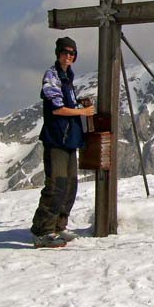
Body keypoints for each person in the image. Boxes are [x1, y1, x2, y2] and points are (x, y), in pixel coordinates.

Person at [31, 37, 94, 248]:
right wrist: (82, 111)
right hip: (56, 138)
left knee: (70, 185)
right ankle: (43, 231)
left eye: (72, 53)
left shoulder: (67, 76)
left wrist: (78, 104)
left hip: (68, 139)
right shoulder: (52, 75)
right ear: (58, 53)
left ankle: (59, 225)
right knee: (56, 185)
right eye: (66, 52)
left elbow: (65, 103)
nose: (69, 56)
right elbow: (57, 108)